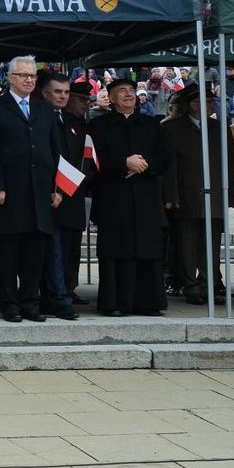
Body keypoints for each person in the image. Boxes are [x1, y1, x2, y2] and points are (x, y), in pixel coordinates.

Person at [0, 55, 63, 323]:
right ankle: (10, 304)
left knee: (35, 252)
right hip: (9, 191)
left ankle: (30, 302)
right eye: (24, 75)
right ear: (11, 78)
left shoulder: (44, 109)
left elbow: (53, 151)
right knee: (8, 252)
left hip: (40, 192)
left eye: (32, 76)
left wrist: (56, 188)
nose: (29, 80)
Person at [87, 77, 169, 317]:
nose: (128, 94)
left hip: (146, 196)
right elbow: (94, 160)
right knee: (116, 250)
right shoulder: (99, 126)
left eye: (131, 90)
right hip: (114, 196)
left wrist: (144, 165)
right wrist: (123, 164)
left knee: (148, 248)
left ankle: (149, 302)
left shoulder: (151, 124)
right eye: (122, 91)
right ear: (110, 98)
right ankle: (115, 303)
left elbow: (164, 157)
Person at [161, 83, 234, 305]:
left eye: (210, 101)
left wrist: (230, 196)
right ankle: (190, 287)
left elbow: (229, 164)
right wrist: (171, 195)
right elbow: (170, 166)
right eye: (203, 102)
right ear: (191, 105)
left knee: (211, 247)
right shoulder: (172, 128)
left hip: (214, 196)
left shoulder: (220, 128)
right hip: (186, 196)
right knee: (187, 246)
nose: (209, 105)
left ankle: (208, 286)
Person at [35, 73, 82, 321]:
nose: (62, 96)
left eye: (66, 92)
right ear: (45, 93)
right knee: (50, 251)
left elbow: (82, 159)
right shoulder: (38, 117)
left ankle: (59, 294)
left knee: (64, 252)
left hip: (71, 196)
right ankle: (57, 299)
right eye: (57, 92)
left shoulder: (75, 122)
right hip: (47, 195)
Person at [58, 81, 95, 304]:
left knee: (72, 245)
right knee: (61, 246)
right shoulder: (60, 121)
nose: (85, 105)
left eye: (87, 101)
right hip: (60, 191)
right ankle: (59, 288)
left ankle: (69, 286)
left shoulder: (83, 125)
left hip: (78, 190)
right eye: (81, 100)